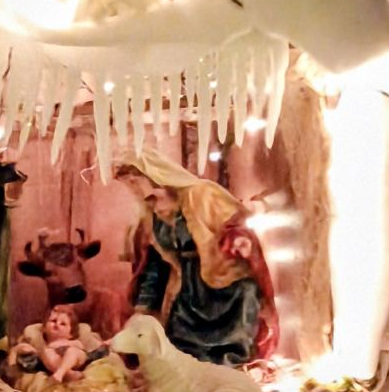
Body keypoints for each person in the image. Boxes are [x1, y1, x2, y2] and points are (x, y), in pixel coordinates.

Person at [115, 148, 279, 366]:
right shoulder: (151, 217)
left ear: (153, 174)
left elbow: (234, 223)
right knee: (183, 354)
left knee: (231, 351)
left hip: (227, 287)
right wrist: (143, 307)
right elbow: (156, 264)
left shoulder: (200, 193)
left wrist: (238, 239)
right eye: (128, 184)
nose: (133, 188)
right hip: (188, 291)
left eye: (134, 181)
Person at [8, 305, 105, 383]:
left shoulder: (73, 342)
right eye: (53, 321)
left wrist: (64, 344)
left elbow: (82, 347)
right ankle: (67, 374)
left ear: (71, 333)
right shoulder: (43, 345)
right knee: (46, 353)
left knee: (73, 351)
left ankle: (61, 372)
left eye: (63, 324)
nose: (57, 324)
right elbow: (23, 348)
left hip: (76, 360)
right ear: (44, 328)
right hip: (54, 362)